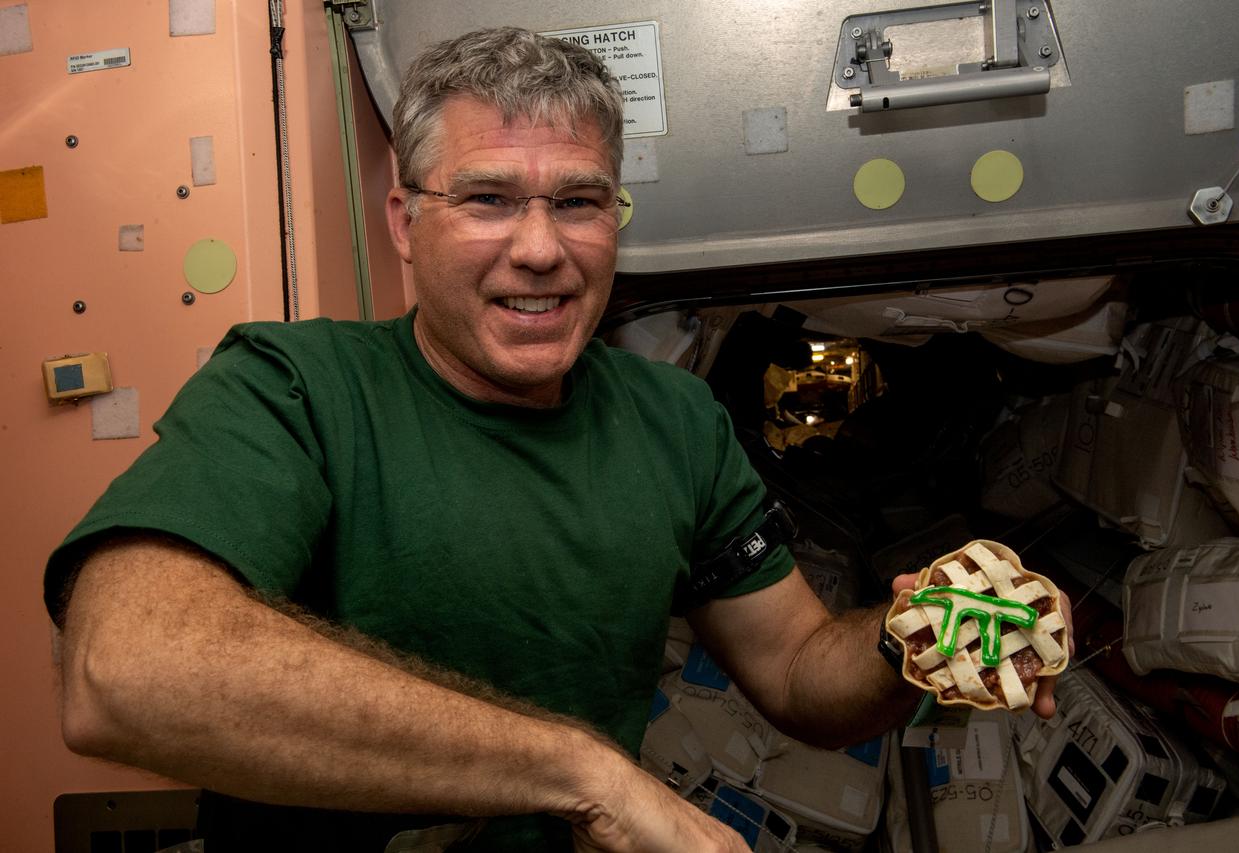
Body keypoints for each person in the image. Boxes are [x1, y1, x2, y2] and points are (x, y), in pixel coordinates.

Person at [45, 27, 1067, 853]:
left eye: (577, 202)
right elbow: (123, 672)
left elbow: (799, 669)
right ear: (404, 221)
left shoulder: (673, 423)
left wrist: (915, 638)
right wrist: (582, 773)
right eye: (487, 199)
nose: (539, 250)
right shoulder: (294, 388)